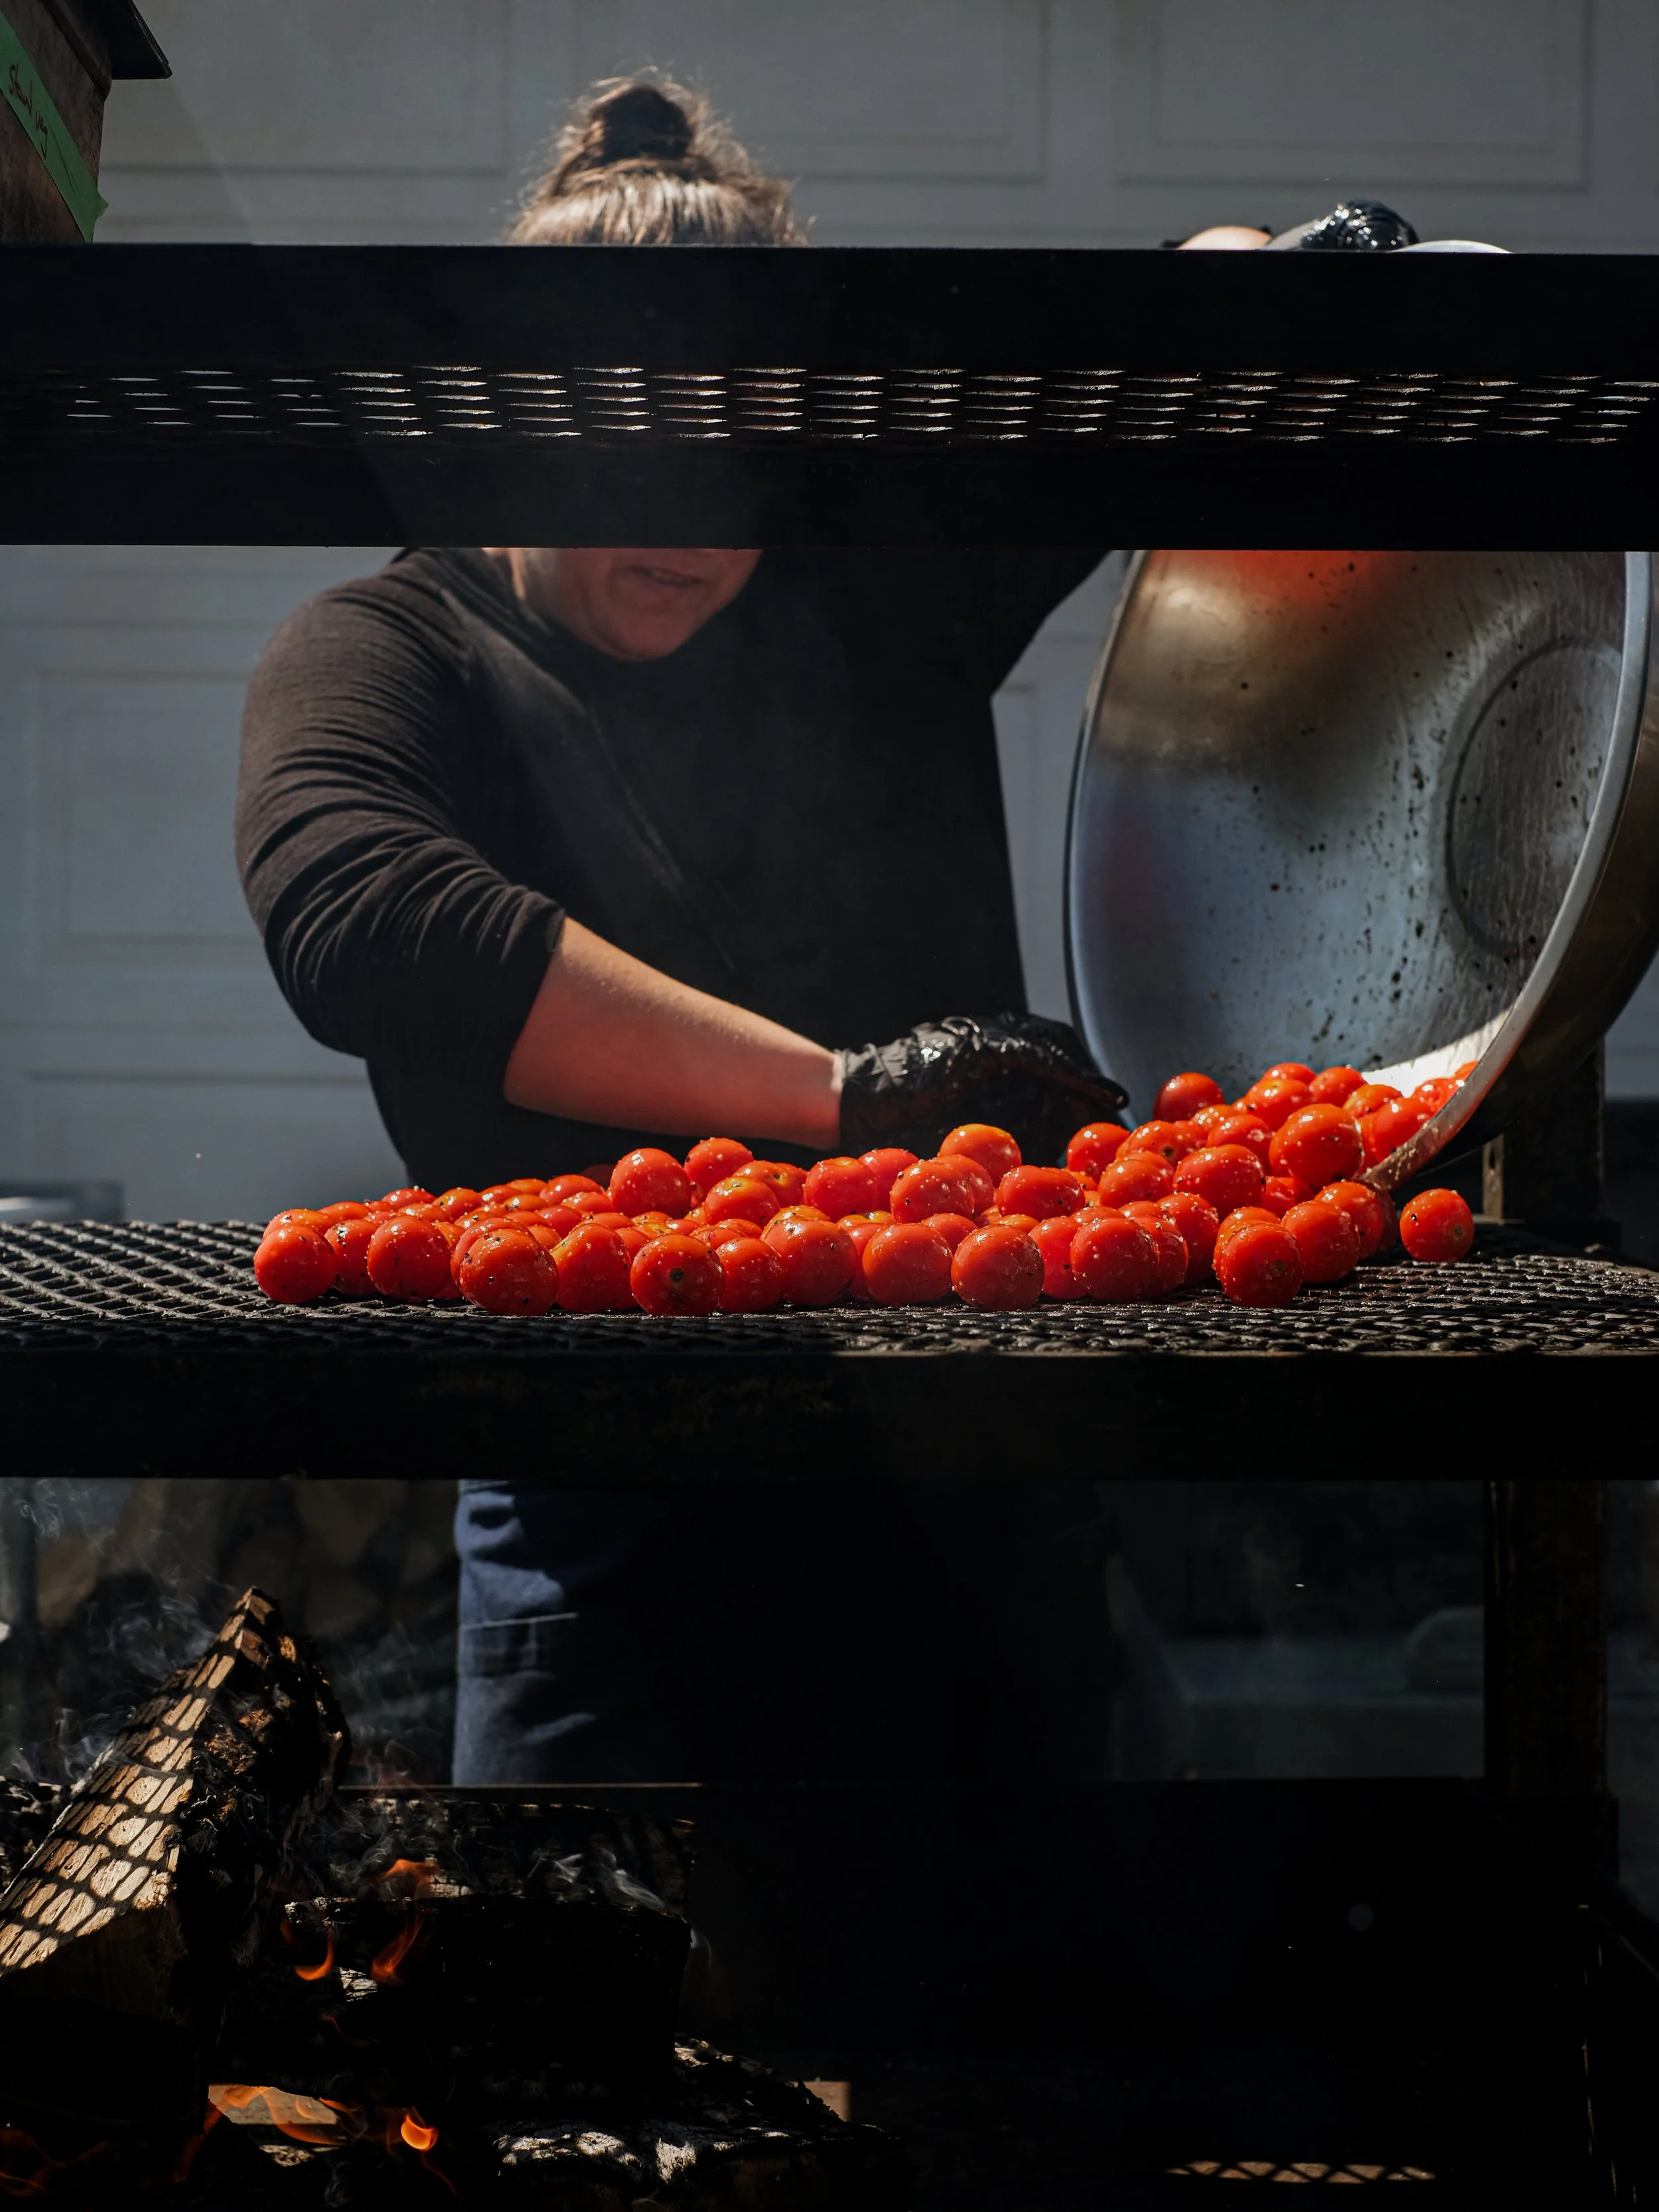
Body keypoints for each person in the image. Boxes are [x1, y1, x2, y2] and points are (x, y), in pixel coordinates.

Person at [234, 79, 1244, 1791]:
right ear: (512, 418)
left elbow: (1173, 335)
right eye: (622, 442)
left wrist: (1280, 262)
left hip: (963, 1490)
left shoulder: (877, 596)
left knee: (996, 2039)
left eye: (730, 443)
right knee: (582, 2030)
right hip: (603, 1519)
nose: (687, 514)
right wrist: (856, 1098)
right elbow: (366, 916)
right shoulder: (390, 648)